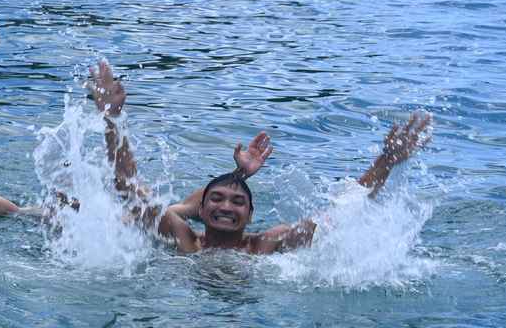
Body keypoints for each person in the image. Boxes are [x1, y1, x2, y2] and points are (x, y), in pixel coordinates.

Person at [92, 63, 432, 254]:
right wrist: (112, 119)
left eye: (237, 201)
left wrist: (385, 163)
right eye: (219, 199)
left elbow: (343, 212)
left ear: (251, 214)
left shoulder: (267, 245)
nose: (227, 206)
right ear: (202, 209)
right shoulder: (183, 237)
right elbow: (128, 188)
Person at [0, 79, 272, 220]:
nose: (70, 188)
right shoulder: (51, 216)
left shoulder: (134, 217)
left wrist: (239, 175)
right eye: (65, 180)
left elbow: (202, 203)